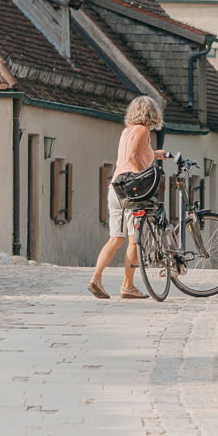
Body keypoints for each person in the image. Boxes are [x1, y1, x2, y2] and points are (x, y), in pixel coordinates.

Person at [89, 95, 162, 300]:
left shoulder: (127, 131)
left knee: (115, 238)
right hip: (130, 190)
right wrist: (142, 178)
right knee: (134, 239)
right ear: (151, 113)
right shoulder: (144, 131)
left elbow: (134, 153)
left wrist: (155, 154)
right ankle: (128, 286)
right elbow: (133, 158)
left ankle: (96, 278)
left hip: (115, 187)